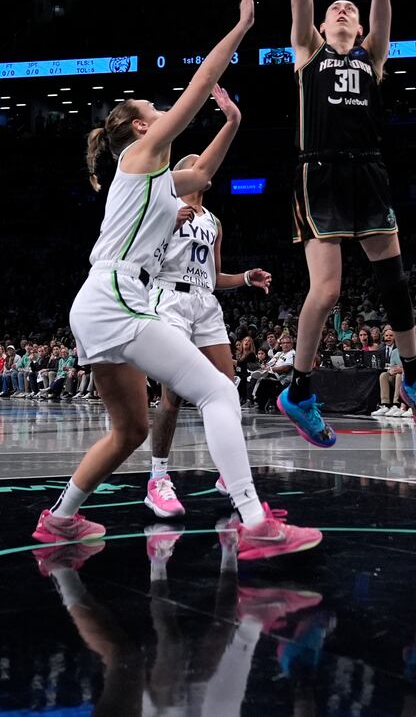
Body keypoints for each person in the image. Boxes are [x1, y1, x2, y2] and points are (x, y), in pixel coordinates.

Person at [33, 0, 320, 562]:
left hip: (97, 300)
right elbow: (191, 96)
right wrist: (239, 29)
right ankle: (254, 521)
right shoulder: (138, 158)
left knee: (130, 431)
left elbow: (205, 171)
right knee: (218, 392)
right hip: (118, 295)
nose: (162, 115)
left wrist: (233, 119)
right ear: (140, 129)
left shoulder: (156, 178)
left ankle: (59, 520)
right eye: (153, 113)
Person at [281, 0, 416, 445]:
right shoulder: (308, 53)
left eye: (350, 8)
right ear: (322, 27)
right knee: (326, 292)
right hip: (319, 170)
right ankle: (299, 388)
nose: (345, 8)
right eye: (335, 9)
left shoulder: (374, 57)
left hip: (369, 168)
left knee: (393, 277)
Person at [142, 99, 273, 519]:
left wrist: (245, 279)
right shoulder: (163, 207)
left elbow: (215, 276)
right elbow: (143, 259)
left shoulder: (214, 220)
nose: (207, 167)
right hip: (169, 299)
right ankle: (158, 477)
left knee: (228, 389)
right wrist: (167, 227)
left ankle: (225, 472)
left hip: (205, 301)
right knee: (174, 394)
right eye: (199, 162)